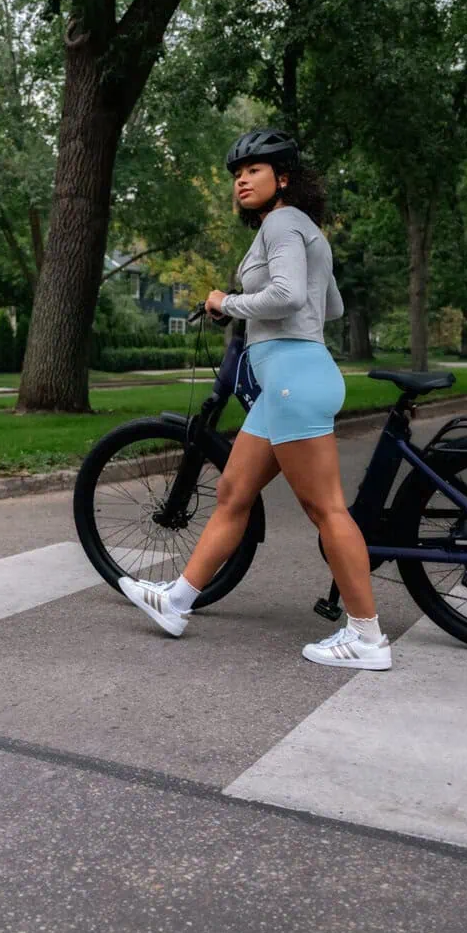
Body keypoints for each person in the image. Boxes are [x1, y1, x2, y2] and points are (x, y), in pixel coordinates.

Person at [117, 129, 390, 670]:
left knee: (326, 509)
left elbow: (287, 298)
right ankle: (177, 602)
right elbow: (327, 305)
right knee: (234, 493)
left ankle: (367, 637)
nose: (242, 179)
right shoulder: (306, 231)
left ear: (283, 178)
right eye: (237, 174)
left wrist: (229, 300)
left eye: (255, 170)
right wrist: (245, 306)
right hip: (290, 380)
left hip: (292, 377)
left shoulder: (283, 223)